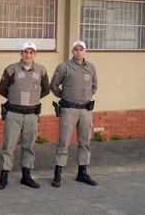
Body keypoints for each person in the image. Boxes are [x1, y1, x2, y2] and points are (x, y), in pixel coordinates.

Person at [0, 41, 51, 190]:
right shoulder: (10, 70)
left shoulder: (41, 71)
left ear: (35, 55)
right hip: (14, 113)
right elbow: (1, 89)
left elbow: (46, 90)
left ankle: (26, 176)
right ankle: (4, 176)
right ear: (21, 53)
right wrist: (15, 99)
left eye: (31, 52)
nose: (28, 55)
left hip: (32, 114)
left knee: (29, 146)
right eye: (25, 52)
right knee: (9, 146)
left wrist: (32, 99)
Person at [50, 40, 98, 188]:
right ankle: (58, 173)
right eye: (76, 49)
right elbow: (53, 85)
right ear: (72, 51)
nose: (78, 52)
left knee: (85, 142)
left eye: (81, 49)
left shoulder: (91, 67)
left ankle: (82, 173)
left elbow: (94, 86)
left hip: (85, 110)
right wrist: (65, 96)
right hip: (69, 109)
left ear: (85, 51)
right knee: (63, 142)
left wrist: (85, 98)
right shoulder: (64, 67)